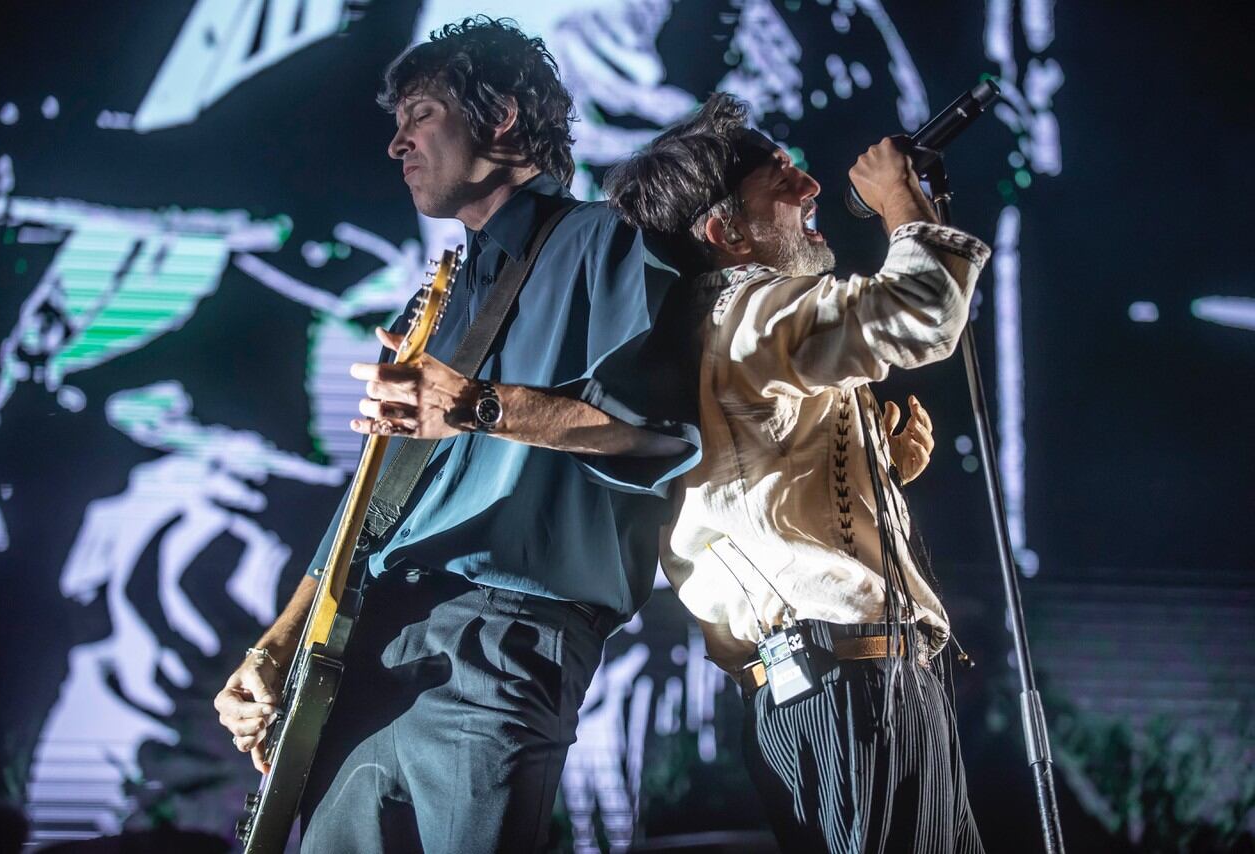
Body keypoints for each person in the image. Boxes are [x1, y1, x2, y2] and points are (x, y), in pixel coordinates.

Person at [213, 18, 700, 853]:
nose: (398, 142)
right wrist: (277, 643)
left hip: (507, 635)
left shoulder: (606, 240)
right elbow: (368, 502)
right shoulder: (435, 302)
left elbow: (658, 436)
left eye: (421, 113)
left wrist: (477, 406)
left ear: (502, 115)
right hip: (374, 646)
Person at [605, 93, 988, 853]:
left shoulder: (725, 325)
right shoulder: (750, 308)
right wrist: (902, 202)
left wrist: (883, 472)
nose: (811, 187)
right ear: (725, 232)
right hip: (847, 680)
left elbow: (758, 489)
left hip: (853, 678)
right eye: (781, 179)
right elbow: (924, 307)